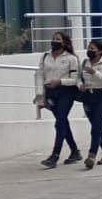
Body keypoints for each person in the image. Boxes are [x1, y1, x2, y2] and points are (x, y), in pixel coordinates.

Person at [34, 31, 82, 168]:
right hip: (50, 92)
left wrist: (60, 81)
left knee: (59, 122)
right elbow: (39, 75)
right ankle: (75, 151)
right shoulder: (45, 56)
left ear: (64, 42)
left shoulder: (71, 58)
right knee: (62, 122)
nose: (55, 41)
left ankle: (55, 155)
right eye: (53, 38)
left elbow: (74, 79)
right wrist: (39, 95)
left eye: (58, 39)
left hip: (66, 92)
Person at [78, 39, 102, 169]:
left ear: (100, 51)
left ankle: (92, 155)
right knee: (97, 126)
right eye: (88, 48)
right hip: (88, 96)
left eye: (92, 48)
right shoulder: (85, 63)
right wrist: (80, 85)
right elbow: (78, 78)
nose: (89, 50)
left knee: (96, 127)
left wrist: (95, 73)